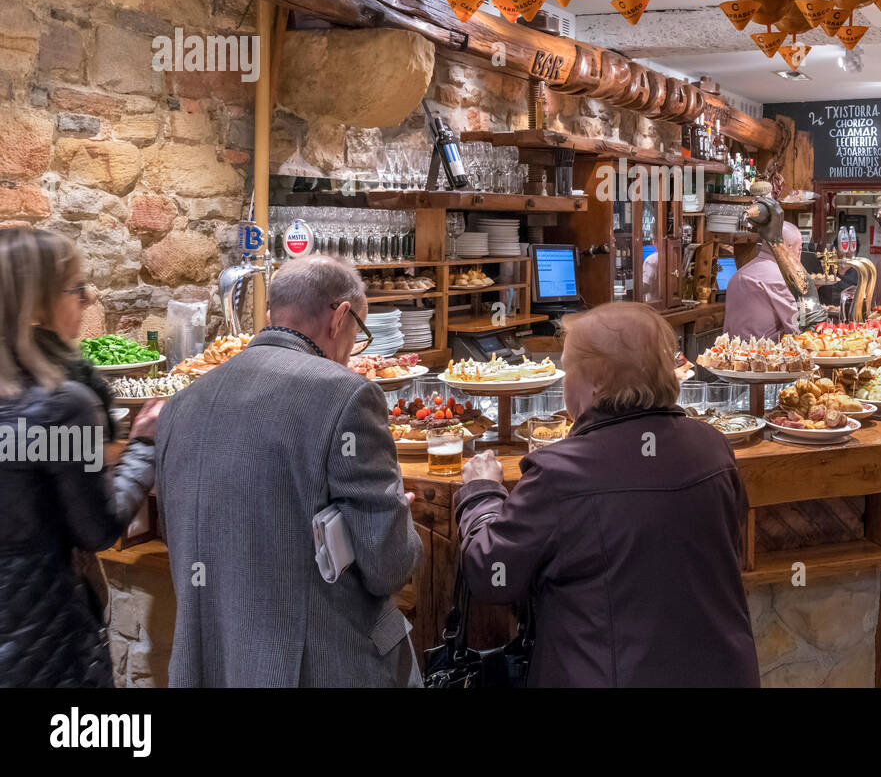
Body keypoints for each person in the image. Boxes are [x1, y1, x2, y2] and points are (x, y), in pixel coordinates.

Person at [454, 302, 760, 687]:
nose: (564, 380)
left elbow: (492, 575)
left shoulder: (559, 472)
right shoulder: (713, 447)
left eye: (567, 368)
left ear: (596, 380)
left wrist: (481, 492)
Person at [157, 255, 422, 687]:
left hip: (210, 665)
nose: (354, 350)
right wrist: (397, 519)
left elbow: (182, 536)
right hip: (319, 666)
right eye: (359, 334)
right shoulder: (347, 396)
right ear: (340, 317)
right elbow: (388, 566)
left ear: (269, 315)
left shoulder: (179, 406)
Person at [0, 227, 158, 688]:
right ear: (38, 307)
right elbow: (99, 528)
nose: (88, 300)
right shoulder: (62, 405)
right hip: (42, 636)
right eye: (77, 288)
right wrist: (144, 444)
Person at [723, 221, 802, 340]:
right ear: (788, 247)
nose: (799, 256)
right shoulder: (780, 278)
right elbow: (797, 328)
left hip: (729, 353)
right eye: (799, 249)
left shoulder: (738, 275)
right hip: (764, 355)